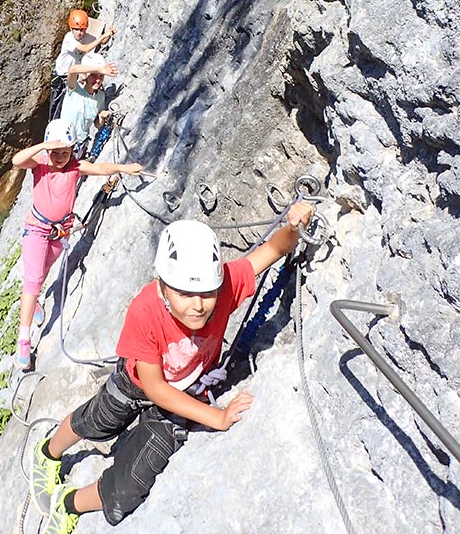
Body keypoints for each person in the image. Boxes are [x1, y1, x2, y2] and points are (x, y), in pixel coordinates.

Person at [31, 203, 314, 532]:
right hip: (138, 382)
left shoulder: (225, 286)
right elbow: (154, 388)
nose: (197, 305)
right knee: (98, 420)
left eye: (206, 293)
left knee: (129, 486)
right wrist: (215, 417)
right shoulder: (145, 310)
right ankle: (48, 453)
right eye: (184, 293)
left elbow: (274, 248)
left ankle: (68, 503)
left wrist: (295, 226)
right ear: (163, 286)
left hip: (184, 388)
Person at [12, 118, 144, 372]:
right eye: (56, 153)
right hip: (37, 230)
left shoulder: (75, 167)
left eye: (64, 152)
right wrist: (44, 146)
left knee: (44, 271)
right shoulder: (40, 165)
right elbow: (17, 161)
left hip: (60, 231)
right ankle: (24, 339)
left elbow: (101, 168)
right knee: (33, 279)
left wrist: (125, 168)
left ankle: (35, 300)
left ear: (72, 149)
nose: (60, 157)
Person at [49, 9, 116, 121]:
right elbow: (85, 48)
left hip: (74, 75)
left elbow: (102, 42)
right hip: (61, 75)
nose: (79, 33)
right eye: (76, 29)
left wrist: (109, 34)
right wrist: (101, 37)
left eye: (82, 30)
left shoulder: (87, 37)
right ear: (71, 28)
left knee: (69, 104)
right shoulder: (69, 38)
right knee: (57, 105)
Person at [60, 52, 118, 159]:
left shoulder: (100, 96)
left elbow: (97, 124)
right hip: (62, 143)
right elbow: (72, 70)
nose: (98, 80)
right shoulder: (74, 89)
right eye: (94, 76)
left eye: (101, 76)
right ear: (85, 75)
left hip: (80, 146)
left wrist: (102, 116)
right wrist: (99, 69)